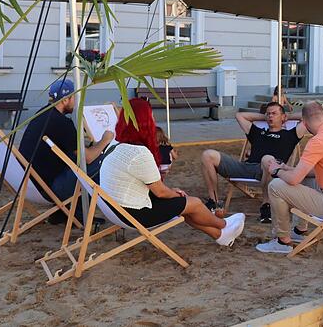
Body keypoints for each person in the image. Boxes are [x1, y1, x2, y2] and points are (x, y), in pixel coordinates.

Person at [101, 98, 246, 245]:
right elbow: (160, 192)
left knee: (184, 204)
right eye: (151, 115)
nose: (154, 119)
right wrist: (173, 194)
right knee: (193, 203)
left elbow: (147, 185)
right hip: (134, 214)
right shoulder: (138, 153)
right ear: (144, 121)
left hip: (115, 209)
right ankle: (225, 225)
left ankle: (221, 236)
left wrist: (173, 194)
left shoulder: (116, 145)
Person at [256, 102, 323, 254]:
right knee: (304, 179)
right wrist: (289, 168)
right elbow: (306, 173)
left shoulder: (318, 141)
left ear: (304, 123)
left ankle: (282, 241)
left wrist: (276, 170)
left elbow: (293, 180)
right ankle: (299, 231)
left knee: (276, 186)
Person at [200, 102, 307, 223]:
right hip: (246, 168)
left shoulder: (290, 135)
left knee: (267, 159)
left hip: (269, 171)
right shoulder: (258, 132)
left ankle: (266, 205)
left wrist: (287, 116)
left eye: (274, 114)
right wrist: (266, 117)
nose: (270, 116)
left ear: (283, 117)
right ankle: (214, 202)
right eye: (268, 114)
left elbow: (309, 116)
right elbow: (240, 115)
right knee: (207, 155)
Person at [19, 80, 114, 204]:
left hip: (28, 183)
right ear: (65, 100)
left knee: (79, 158)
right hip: (50, 188)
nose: (75, 102)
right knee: (102, 161)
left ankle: (62, 213)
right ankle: (78, 215)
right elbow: (89, 158)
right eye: (74, 97)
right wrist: (105, 140)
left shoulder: (42, 114)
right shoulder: (62, 123)